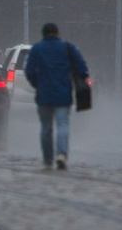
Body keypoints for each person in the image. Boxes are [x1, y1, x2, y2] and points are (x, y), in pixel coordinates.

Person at [24, 23, 89, 171]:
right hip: (63, 94)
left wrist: (37, 84)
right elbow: (82, 68)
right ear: (57, 33)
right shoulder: (67, 48)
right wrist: (79, 80)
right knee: (63, 125)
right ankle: (61, 155)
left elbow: (29, 71)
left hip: (44, 95)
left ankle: (47, 160)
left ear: (43, 34)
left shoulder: (37, 49)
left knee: (46, 128)